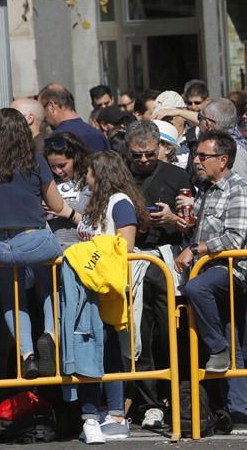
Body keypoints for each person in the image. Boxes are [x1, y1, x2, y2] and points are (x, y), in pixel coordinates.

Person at [0, 108, 77, 380]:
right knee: (54, 276)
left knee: (12, 298)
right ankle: (50, 334)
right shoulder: (35, 161)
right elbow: (56, 205)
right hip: (34, 241)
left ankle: (27, 355)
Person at [177, 130, 247, 435]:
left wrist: (196, 248)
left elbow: (234, 239)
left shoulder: (238, 190)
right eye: (197, 155)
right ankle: (238, 412)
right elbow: (200, 231)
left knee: (198, 292)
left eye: (203, 156)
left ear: (223, 160)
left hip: (231, 270)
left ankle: (217, 348)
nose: (197, 161)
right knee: (232, 340)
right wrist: (183, 223)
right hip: (206, 270)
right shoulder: (205, 189)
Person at [74, 150, 150, 443]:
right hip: (90, 287)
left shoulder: (120, 203)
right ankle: (94, 413)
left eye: (90, 171)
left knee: (109, 352)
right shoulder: (97, 204)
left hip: (110, 288)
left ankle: (116, 414)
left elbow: (126, 245)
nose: (86, 177)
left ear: (101, 174)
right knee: (93, 351)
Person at [122, 120, 191, 429]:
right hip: (132, 261)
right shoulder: (120, 176)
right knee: (140, 334)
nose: (144, 161)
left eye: (149, 154)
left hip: (167, 261)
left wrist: (173, 218)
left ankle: (176, 394)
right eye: (137, 156)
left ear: (160, 147)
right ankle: (149, 402)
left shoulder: (177, 175)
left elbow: (192, 223)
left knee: (170, 334)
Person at [44, 133, 91, 249]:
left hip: (83, 254)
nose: (58, 171)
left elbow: (100, 228)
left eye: (62, 165)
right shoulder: (48, 184)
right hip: (54, 256)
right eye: (52, 166)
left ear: (76, 158)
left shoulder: (91, 184)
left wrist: (69, 213)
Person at [38, 83, 110, 152]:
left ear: (51, 106)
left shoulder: (56, 139)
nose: (43, 115)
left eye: (42, 109)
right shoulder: (98, 134)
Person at [197, 98, 247, 183]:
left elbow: (239, 190)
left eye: (199, 117)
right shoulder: (229, 147)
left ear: (208, 124)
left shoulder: (235, 155)